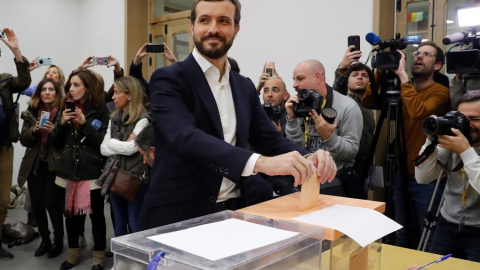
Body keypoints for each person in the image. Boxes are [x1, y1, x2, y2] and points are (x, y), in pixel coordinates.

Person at [139, 0, 337, 230]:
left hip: (235, 212)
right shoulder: (168, 79)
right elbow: (184, 137)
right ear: (192, 27)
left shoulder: (243, 87)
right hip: (179, 215)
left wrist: (307, 157)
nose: (213, 28)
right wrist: (260, 163)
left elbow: (268, 139)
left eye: (223, 21)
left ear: (236, 29)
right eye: (205, 20)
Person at [362, 41, 450, 249]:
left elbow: (418, 112)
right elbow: (369, 101)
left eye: (426, 54)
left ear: (437, 65)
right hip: (400, 173)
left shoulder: (441, 93)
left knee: (426, 233)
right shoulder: (403, 88)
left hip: (427, 176)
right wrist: (381, 72)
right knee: (400, 231)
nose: (418, 57)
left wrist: (403, 78)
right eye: (417, 53)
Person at [51, 70, 110, 270]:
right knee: (71, 217)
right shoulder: (64, 109)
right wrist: (61, 124)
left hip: (91, 173)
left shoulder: (101, 111)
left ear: (87, 87)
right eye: (70, 85)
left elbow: (103, 144)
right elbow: (55, 143)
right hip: (68, 173)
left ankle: (98, 257)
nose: (71, 89)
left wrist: (85, 125)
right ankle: (73, 254)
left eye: (76, 85)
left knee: (97, 218)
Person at [415, 91, 480, 262]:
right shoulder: (453, 140)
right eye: (462, 118)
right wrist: (430, 141)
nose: (467, 125)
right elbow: (423, 177)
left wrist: (466, 152)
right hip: (448, 223)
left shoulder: (461, 145)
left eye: (474, 119)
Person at [285, 59, 363, 197]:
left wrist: (328, 136)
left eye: (300, 79)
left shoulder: (348, 106)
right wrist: (291, 120)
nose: (294, 85)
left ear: (317, 77)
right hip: (305, 178)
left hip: (335, 182)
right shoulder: (299, 106)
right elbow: (295, 148)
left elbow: (351, 152)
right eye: (294, 79)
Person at [17, 78, 65, 258]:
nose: (47, 92)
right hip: (35, 164)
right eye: (44, 89)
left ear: (56, 92)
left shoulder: (62, 112)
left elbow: (65, 141)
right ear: (39, 93)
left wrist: (54, 131)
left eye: (51, 89)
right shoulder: (31, 111)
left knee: (52, 204)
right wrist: (34, 130)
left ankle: (58, 240)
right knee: (37, 205)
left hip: (54, 165)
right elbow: (23, 139)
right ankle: (45, 240)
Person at [97, 76, 150, 237]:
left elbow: (131, 148)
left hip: (135, 180)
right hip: (115, 177)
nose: (112, 97)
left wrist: (112, 142)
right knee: (119, 223)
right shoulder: (114, 118)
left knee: (135, 224)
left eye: (117, 93)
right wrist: (118, 144)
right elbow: (103, 149)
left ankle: (138, 261)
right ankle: (121, 261)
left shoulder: (143, 119)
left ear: (130, 95)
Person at [0, 27, 32, 260]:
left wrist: (16, 51)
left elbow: (24, 80)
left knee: (2, 200)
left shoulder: (3, 81)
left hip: (3, 149)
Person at [333, 46, 375, 182]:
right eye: (355, 75)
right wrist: (342, 69)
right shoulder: (343, 101)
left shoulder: (370, 105)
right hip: (344, 167)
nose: (359, 78)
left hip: (364, 167)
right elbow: (337, 92)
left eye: (364, 75)